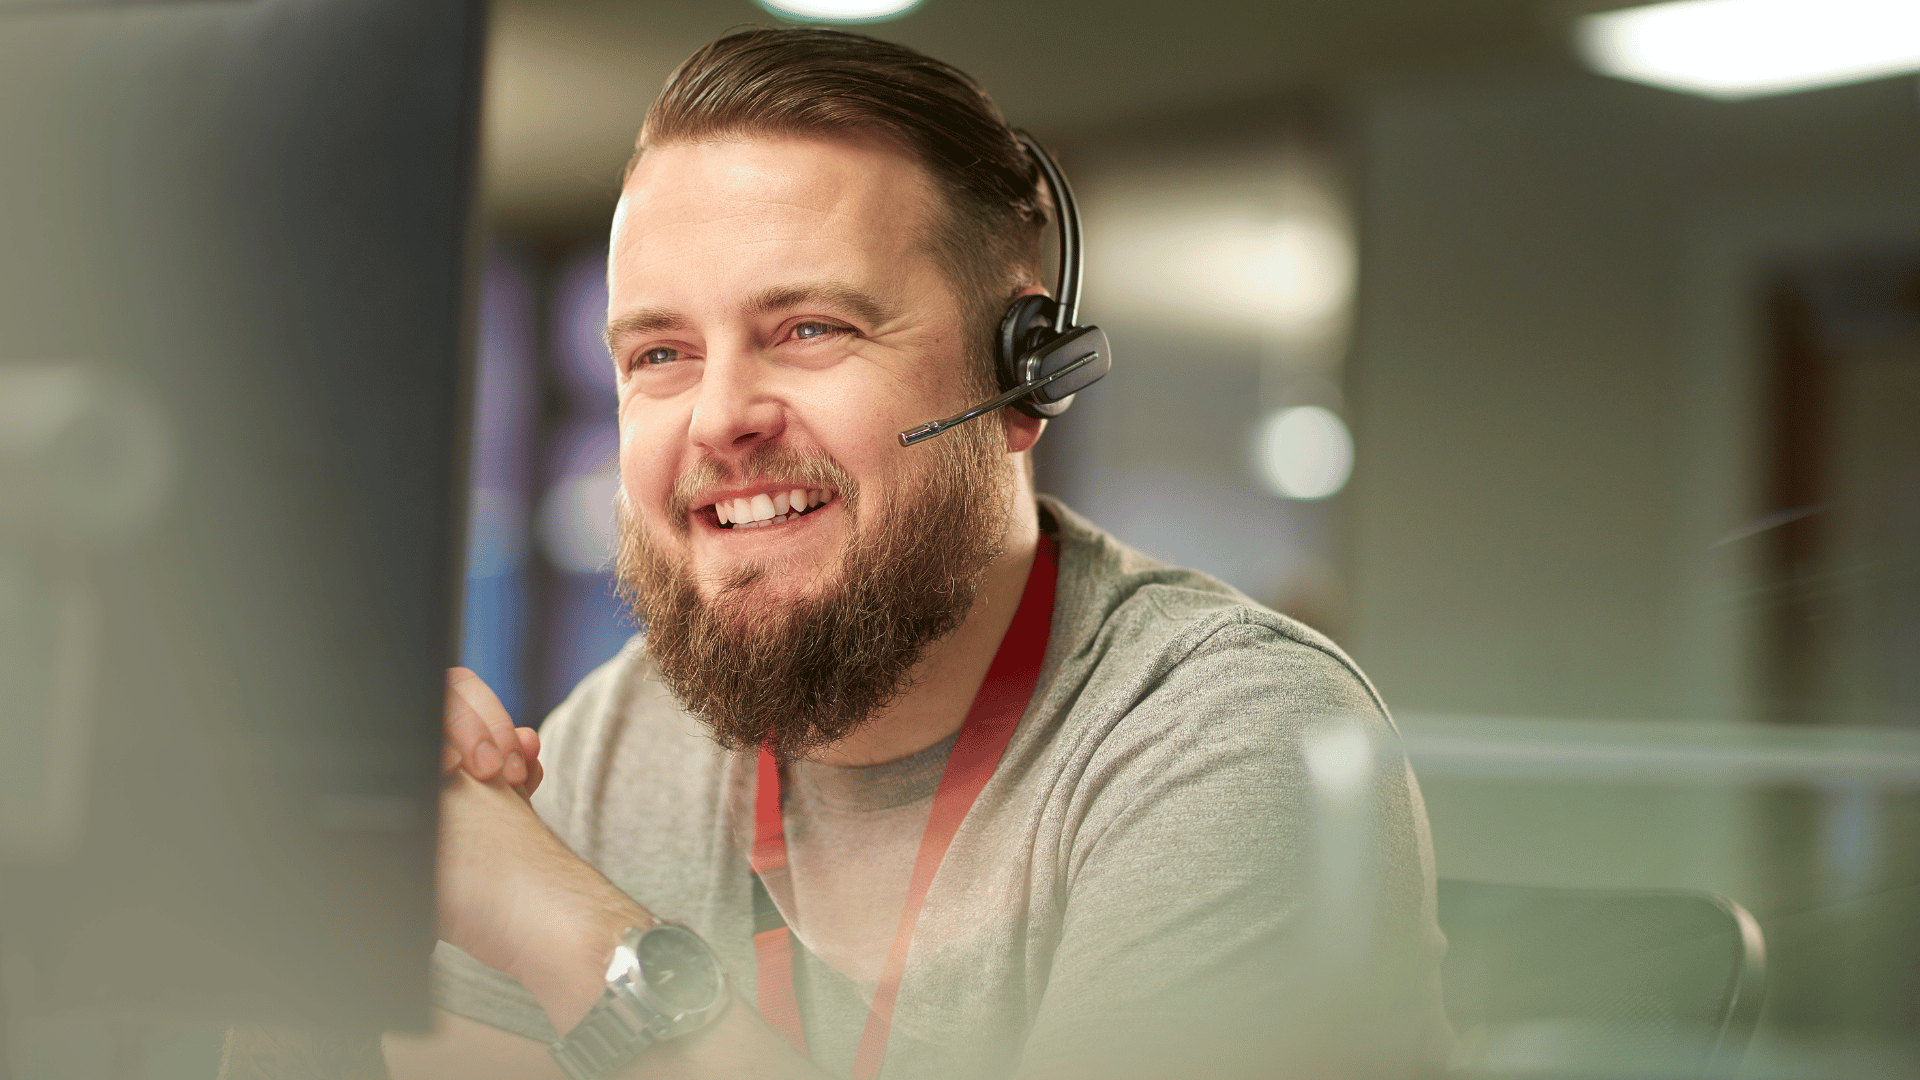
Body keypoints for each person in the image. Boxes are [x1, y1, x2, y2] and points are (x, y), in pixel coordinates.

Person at [222, 26, 1448, 1080]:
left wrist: (568, 930)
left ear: (1022, 381)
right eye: (660, 354)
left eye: (809, 329)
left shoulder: (1232, 738)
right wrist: (320, 868)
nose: (720, 418)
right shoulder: (621, 739)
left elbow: (553, 936)